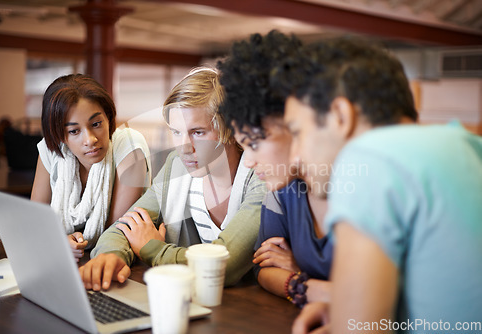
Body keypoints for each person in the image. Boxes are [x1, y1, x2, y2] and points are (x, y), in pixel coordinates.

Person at [274, 37, 482, 334]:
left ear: (341, 117)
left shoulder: (369, 159)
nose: (294, 157)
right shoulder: (468, 146)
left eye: (297, 132)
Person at [79, 67, 266, 291]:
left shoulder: (262, 175)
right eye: (176, 132)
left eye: (198, 132)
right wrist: (110, 257)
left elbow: (224, 265)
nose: (184, 148)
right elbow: (126, 226)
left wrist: (152, 248)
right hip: (188, 302)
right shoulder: (176, 167)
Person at [217, 30, 332, 306]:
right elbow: (264, 269)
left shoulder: (355, 187)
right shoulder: (281, 188)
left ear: (295, 120)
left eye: (256, 143)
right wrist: (304, 285)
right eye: (245, 147)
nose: (250, 161)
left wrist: (301, 274)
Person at [31, 74, 151, 261]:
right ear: (59, 135)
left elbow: (116, 233)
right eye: (74, 131)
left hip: (118, 258)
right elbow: (35, 223)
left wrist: (57, 242)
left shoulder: (128, 146)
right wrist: (59, 242)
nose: (90, 140)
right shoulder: (51, 150)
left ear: (108, 118)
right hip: (64, 262)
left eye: (96, 124)